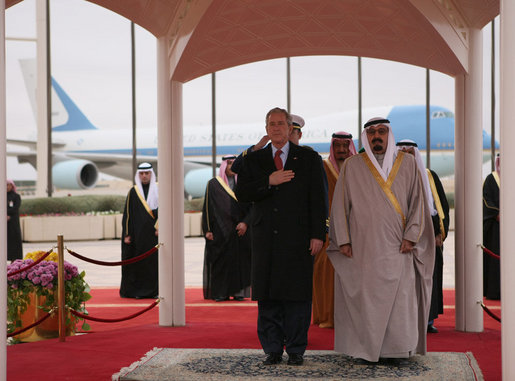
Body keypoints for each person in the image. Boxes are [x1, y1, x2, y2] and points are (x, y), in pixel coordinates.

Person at [327, 117, 435, 365]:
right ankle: (365, 349)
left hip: (399, 247)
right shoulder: (352, 166)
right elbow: (340, 206)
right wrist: (343, 240)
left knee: (399, 301)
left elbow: (418, 203)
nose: (377, 136)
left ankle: (396, 350)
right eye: (372, 132)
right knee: (367, 302)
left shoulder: (407, 164)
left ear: (390, 134)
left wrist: (411, 236)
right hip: (363, 250)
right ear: (366, 137)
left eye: (382, 131)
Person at [235, 107, 327, 366]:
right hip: (265, 238)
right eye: (271, 124)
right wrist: (269, 181)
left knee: (297, 295)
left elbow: (319, 200)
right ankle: (272, 348)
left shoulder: (308, 158)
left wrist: (318, 234)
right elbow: (242, 193)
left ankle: (296, 349)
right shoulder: (255, 160)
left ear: (290, 128)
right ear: (266, 129)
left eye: (281, 124)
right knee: (268, 295)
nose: (276, 128)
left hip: (298, 238)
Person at [396, 139, 450, 334]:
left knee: (429, 278)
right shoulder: (393, 177)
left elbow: (440, 207)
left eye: (410, 153)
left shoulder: (429, 176)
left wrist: (439, 234)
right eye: (403, 153)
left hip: (429, 237)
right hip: (403, 238)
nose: (407, 157)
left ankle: (427, 320)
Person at [312, 132, 356, 328]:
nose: (341, 150)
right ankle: (327, 316)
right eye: (337, 146)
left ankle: (352, 317)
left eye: (344, 146)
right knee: (325, 272)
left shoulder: (357, 168)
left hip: (355, 231)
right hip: (328, 231)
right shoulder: (322, 167)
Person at [201, 155, 251, 302]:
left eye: (234, 164)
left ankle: (238, 292)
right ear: (224, 166)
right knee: (221, 263)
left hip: (240, 231)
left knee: (239, 263)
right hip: (220, 231)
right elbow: (208, 208)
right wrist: (208, 229)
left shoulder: (244, 183)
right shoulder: (214, 184)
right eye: (229, 164)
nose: (231, 167)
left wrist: (246, 223)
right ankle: (220, 292)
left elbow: (251, 207)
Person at [120, 162, 159, 299]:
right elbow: (128, 214)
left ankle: (154, 291)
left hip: (155, 235)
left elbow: (165, 210)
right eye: (141, 174)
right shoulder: (133, 191)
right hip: (138, 236)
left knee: (154, 264)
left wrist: (160, 228)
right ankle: (140, 292)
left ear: (151, 174)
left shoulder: (159, 189)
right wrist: (127, 234)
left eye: (147, 173)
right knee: (139, 264)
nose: (144, 176)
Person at [231, 114, 305, 174]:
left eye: (291, 132)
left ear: (299, 135)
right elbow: (236, 168)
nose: (286, 136)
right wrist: (256, 148)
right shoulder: (264, 157)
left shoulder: (307, 157)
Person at [483, 154, 500, 300]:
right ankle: (495, 292)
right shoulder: (491, 179)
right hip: (496, 227)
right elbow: (486, 199)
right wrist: (497, 214)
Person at [7, 179, 23, 261]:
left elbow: (15, 208)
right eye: (5, 185)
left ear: (12, 186)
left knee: (14, 242)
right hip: (4, 224)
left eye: (8, 185)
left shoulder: (16, 196)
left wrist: (8, 216)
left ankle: (14, 262)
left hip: (13, 223)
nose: (7, 187)